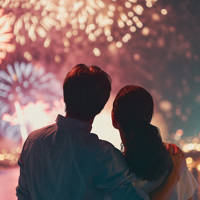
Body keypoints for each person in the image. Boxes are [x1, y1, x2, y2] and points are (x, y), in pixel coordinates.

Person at [17, 64, 183, 200]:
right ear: (101, 106)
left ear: (65, 95)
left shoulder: (33, 142)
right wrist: (175, 172)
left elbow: (23, 195)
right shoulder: (104, 156)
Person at [112, 85, 198, 200]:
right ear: (149, 117)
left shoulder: (112, 166)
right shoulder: (174, 156)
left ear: (114, 119)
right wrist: (175, 173)